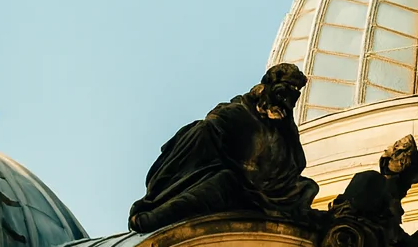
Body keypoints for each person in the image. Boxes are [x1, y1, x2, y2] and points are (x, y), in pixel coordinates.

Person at [128, 63, 320, 233]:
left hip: (269, 190)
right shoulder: (234, 114)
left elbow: (295, 162)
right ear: (266, 90)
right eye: (281, 96)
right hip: (234, 181)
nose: (285, 105)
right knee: (219, 185)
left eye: (291, 99)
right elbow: (203, 141)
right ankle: (155, 217)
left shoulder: (285, 126)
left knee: (307, 187)